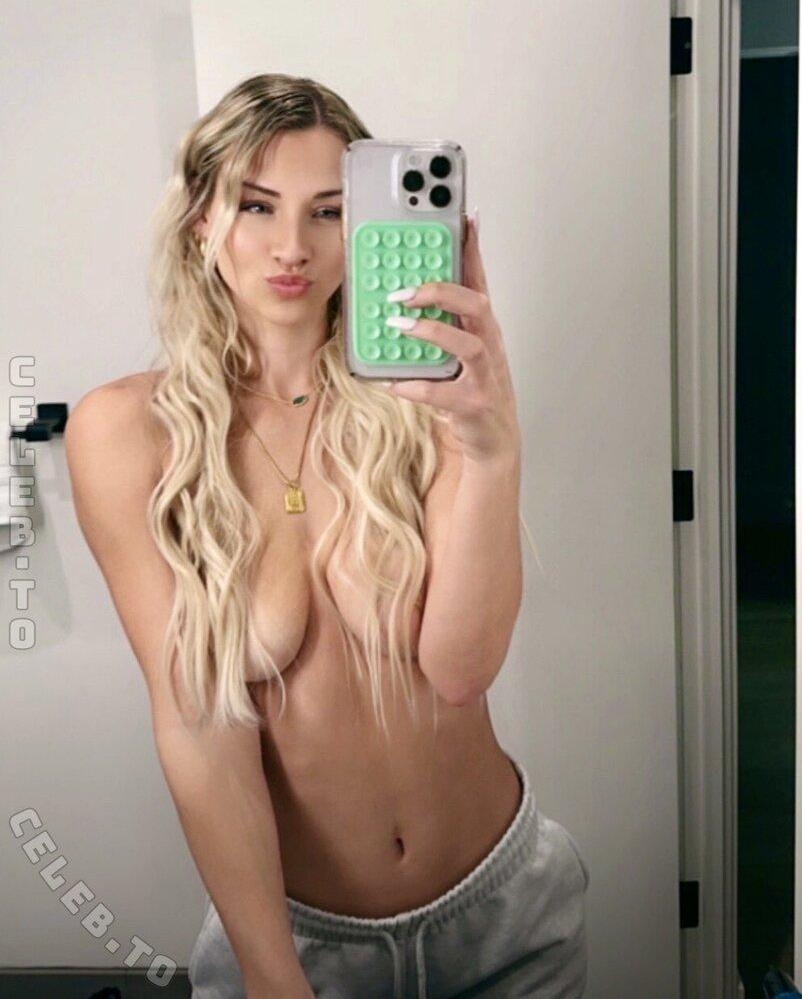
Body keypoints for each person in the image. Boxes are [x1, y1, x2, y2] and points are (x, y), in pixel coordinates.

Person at [65, 73, 590, 998]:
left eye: (329, 211)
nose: (291, 247)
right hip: (299, 947)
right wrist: (272, 974)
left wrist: (489, 447)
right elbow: (195, 724)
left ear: (366, 224)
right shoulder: (128, 434)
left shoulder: (424, 397)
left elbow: (461, 670)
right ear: (202, 219)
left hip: (506, 916)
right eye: (256, 205)